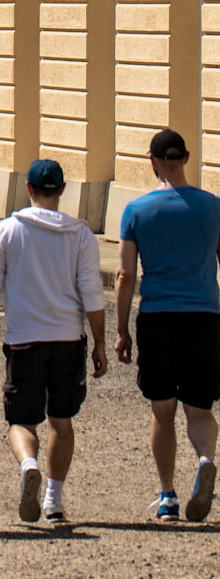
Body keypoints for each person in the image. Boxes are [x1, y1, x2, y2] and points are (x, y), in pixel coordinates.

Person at [0, 157, 108, 524]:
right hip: (68, 338)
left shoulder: (8, 229)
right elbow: (92, 293)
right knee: (62, 421)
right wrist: (99, 342)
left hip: (24, 340)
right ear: (62, 191)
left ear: (29, 189)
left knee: (21, 421)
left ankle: (29, 465)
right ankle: (54, 497)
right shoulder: (80, 234)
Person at [115, 126, 220, 522]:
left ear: (152, 162)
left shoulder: (137, 211)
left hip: (158, 317)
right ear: (187, 160)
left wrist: (122, 330)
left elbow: (125, 276)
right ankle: (206, 458)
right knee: (199, 407)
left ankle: (168, 497)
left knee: (163, 409)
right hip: (204, 316)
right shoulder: (214, 207)